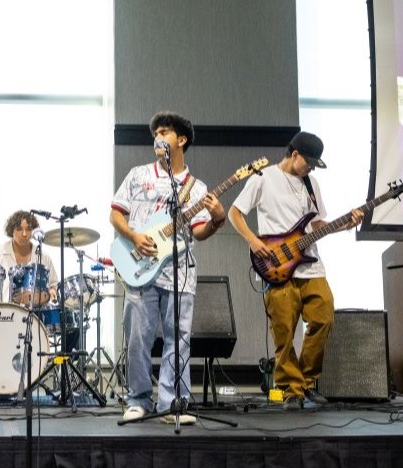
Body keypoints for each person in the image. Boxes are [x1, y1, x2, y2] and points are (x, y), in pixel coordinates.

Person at [227, 131, 361, 411]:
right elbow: (235, 213)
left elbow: (316, 225)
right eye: (309, 162)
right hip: (277, 264)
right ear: (295, 154)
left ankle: (307, 382)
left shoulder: (311, 184)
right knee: (284, 331)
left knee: (324, 317)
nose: (311, 168)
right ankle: (291, 390)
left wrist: (346, 223)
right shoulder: (263, 178)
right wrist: (253, 242)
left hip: (311, 265)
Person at [111, 111, 227, 425]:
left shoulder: (196, 187)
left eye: (164, 132)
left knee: (179, 339)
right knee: (138, 338)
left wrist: (217, 219)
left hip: (180, 271)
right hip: (140, 268)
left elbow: (200, 232)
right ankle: (137, 399)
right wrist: (134, 235)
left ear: (181, 139)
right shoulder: (137, 175)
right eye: (156, 133)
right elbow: (116, 213)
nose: (158, 138)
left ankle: (173, 403)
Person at [0, 210, 59, 307]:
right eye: (19, 229)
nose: (24, 234)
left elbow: (53, 284)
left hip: (34, 314)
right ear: (11, 230)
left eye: (28, 229)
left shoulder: (43, 256)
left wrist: (52, 291)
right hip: (1, 314)